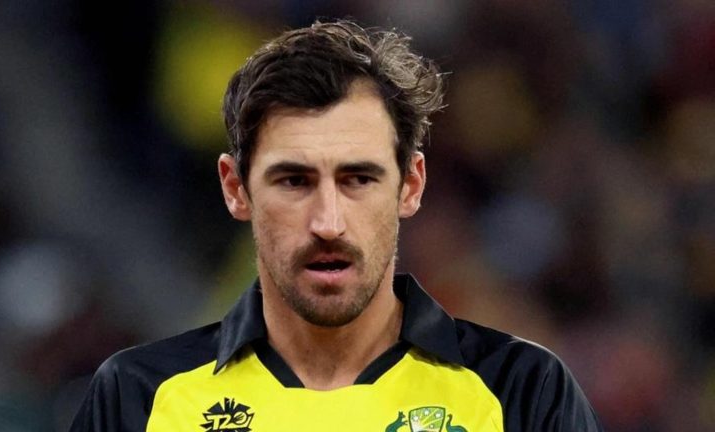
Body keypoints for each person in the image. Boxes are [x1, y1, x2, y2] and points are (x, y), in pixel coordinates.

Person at [70, 20, 603, 432]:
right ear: (236, 189)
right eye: (293, 181)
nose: (328, 223)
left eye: (358, 179)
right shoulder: (140, 397)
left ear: (410, 185)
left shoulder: (522, 390)